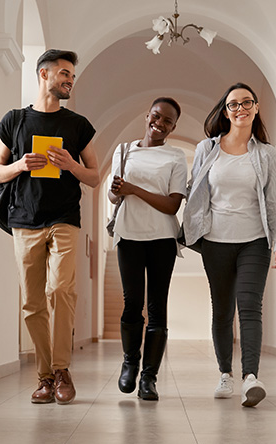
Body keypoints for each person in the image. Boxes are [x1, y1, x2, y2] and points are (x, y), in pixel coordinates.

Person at [0, 49, 100, 405]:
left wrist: (70, 164)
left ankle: (62, 368)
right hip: (24, 220)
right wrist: (21, 164)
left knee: (61, 290)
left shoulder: (78, 125)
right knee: (33, 303)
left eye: (72, 76)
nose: (70, 80)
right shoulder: (14, 121)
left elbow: (95, 177)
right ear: (44, 74)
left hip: (65, 218)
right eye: (65, 74)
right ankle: (45, 377)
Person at [183, 83, 276, 407]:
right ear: (225, 111)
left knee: (250, 306)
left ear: (256, 108)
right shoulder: (206, 149)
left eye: (247, 103)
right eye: (233, 104)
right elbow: (194, 191)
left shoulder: (266, 154)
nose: (240, 108)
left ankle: (251, 378)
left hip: (255, 241)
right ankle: (225, 374)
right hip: (215, 241)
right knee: (222, 310)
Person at [108, 97, 188, 401]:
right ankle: (130, 363)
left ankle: (149, 378)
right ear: (147, 116)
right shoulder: (123, 151)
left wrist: (133, 189)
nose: (160, 123)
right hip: (128, 235)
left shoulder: (175, 156)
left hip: (162, 239)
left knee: (157, 308)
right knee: (131, 304)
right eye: (157, 116)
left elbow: (172, 205)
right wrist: (118, 193)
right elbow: (114, 197)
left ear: (173, 127)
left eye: (168, 120)